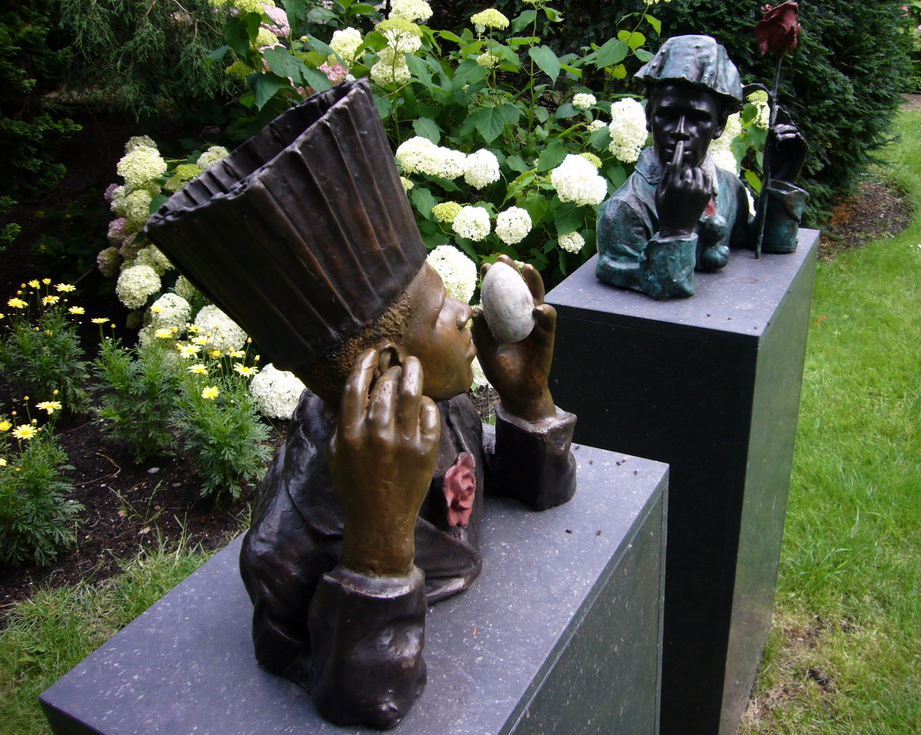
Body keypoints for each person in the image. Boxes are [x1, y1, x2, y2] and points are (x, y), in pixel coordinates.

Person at [145, 80, 577, 730]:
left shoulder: (444, 410)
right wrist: (377, 543)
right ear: (388, 369)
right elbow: (360, 697)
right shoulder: (288, 546)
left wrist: (529, 403)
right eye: (440, 313)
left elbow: (531, 495)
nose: (468, 313)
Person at [596, 35, 809, 299]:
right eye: (668, 115)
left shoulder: (729, 186)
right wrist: (675, 229)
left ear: (718, 125)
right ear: (650, 116)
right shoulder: (625, 209)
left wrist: (781, 181)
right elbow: (660, 284)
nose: (681, 131)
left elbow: (762, 242)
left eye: (698, 119)